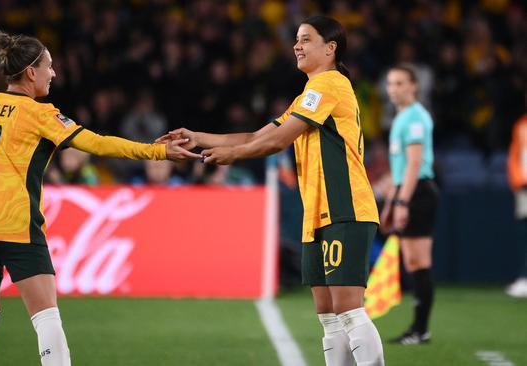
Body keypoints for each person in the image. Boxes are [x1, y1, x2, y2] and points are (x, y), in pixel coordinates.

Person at [0, 31, 199, 366]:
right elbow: (97, 144)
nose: (53, 73)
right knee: (46, 317)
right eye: (49, 67)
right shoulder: (40, 114)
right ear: (30, 73)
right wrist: (158, 152)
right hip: (16, 225)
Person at [159, 15, 384, 366]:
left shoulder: (330, 84)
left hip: (346, 209)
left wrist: (231, 155)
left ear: (330, 48)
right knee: (328, 315)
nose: (297, 45)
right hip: (317, 214)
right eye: (296, 39)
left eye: (306, 39)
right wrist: (199, 137)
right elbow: (256, 137)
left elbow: (277, 141)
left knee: (349, 310)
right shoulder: (308, 96)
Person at [380, 64, 439, 345]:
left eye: (400, 83)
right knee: (413, 262)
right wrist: (391, 202)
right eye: (391, 84)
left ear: (414, 86)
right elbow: (399, 168)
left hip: (419, 192)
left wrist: (402, 201)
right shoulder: (401, 117)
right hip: (408, 191)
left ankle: (420, 329)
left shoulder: (415, 118)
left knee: (419, 262)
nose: (394, 89)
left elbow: (414, 163)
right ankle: (418, 328)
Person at [506, 90, 527, 298]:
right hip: (525, 187)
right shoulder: (521, 124)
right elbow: (515, 156)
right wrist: (517, 179)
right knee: (524, 233)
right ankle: (524, 277)